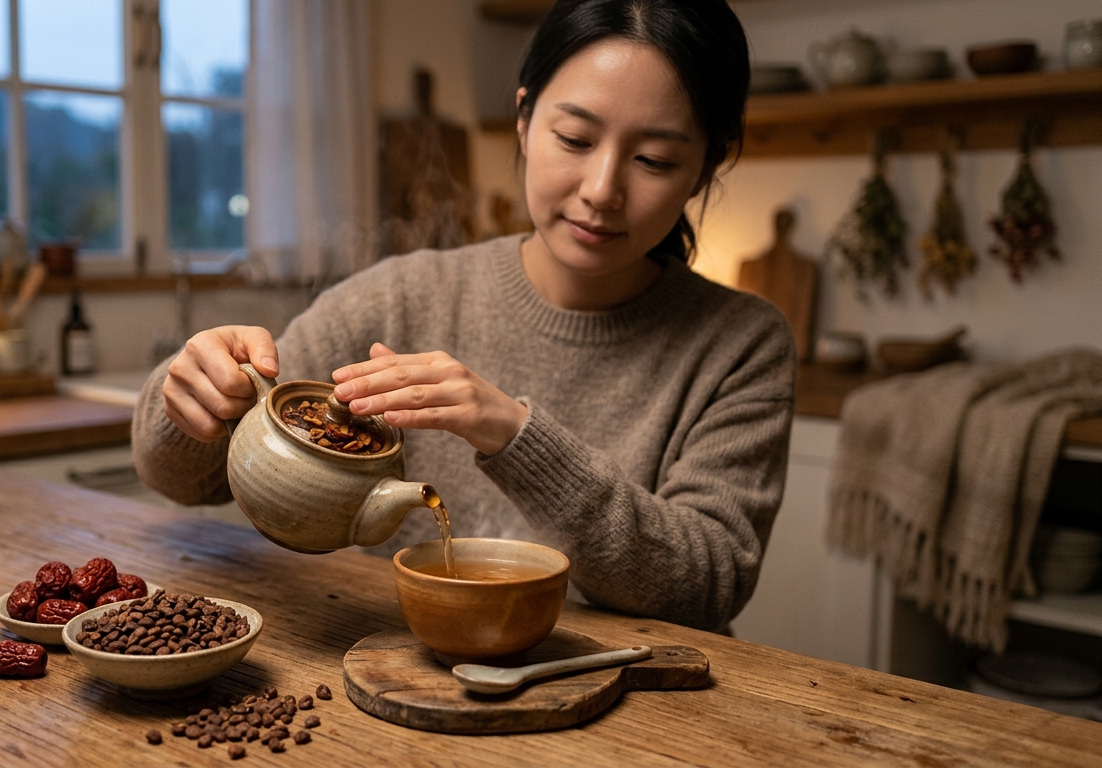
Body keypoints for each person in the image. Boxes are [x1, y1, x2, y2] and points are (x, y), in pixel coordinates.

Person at [134, 0, 794, 633]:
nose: (601, 190)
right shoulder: (401, 297)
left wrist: (514, 434)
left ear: (707, 168)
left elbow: (707, 587)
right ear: (524, 119)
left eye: (654, 159)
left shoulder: (740, 342)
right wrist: (191, 394)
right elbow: (187, 479)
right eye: (574, 137)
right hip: (402, 684)